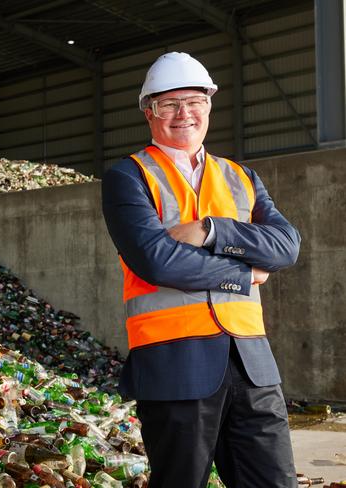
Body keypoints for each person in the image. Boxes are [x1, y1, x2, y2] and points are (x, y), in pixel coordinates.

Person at [101, 52, 301, 488]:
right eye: (169, 104)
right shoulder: (128, 177)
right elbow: (156, 260)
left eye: (193, 101)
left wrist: (211, 230)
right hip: (174, 363)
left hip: (252, 366)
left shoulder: (240, 176)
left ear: (209, 105)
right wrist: (244, 274)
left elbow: (286, 247)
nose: (183, 114)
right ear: (148, 112)